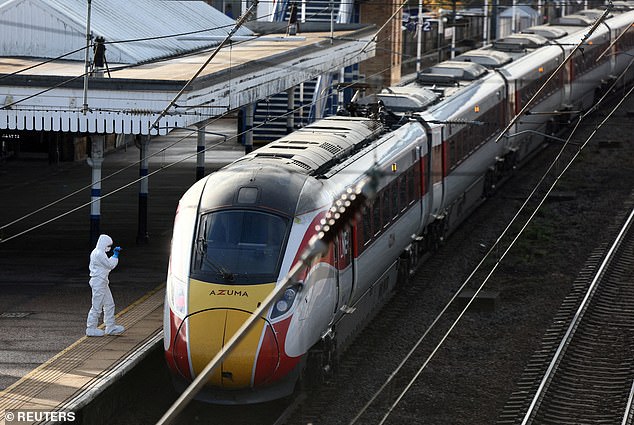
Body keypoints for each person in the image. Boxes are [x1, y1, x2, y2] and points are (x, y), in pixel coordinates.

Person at [86, 234, 125, 336]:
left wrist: (113, 256)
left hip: (102, 282)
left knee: (109, 304)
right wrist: (115, 255)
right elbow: (110, 265)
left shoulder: (98, 252)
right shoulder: (99, 254)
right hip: (98, 283)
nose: (109, 247)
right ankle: (91, 328)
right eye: (108, 245)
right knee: (97, 306)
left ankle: (110, 327)